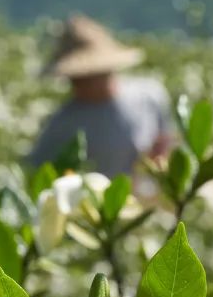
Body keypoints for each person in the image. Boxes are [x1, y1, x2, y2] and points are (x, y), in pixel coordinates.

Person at [28, 14, 174, 178]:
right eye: (78, 77)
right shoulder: (62, 124)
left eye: (91, 75)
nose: (83, 83)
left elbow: (163, 141)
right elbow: (37, 172)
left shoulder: (150, 95)